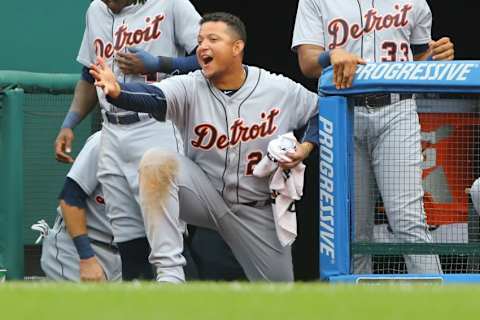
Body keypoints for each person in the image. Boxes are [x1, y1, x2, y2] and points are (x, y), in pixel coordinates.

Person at [89, 12, 319, 281]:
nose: (203, 47)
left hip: (255, 209)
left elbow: (319, 111)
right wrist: (118, 94)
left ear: (237, 47)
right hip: (204, 196)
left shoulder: (277, 88)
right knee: (156, 162)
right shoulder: (190, 86)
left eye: (213, 39)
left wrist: (306, 147)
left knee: (281, 298)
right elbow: (153, 97)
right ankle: (170, 276)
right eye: (199, 40)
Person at [292, 0, 454, 273]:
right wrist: (330, 55)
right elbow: (308, 63)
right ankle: (357, 307)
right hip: (343, 111)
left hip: (396, 109)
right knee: (353, 226)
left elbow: (418, 59)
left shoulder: (415, 2)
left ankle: (434, 305)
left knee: (408, 219)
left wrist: (438, 56)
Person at [53, 0, 202, 282]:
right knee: (128, 241)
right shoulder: (96, 10)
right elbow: (89, 75)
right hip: (111, 132)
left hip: (155, 125)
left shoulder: (172, 4)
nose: (107, 1)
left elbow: (207, 58)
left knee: (167, 238)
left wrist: (160, 63)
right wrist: (69, 123)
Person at [40, 132, 122, 282]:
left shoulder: (163, 145)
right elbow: (69, 199)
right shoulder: (102, 142)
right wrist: (87, 258)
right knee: (85, 305)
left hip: (120, 255)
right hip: (76, 248)